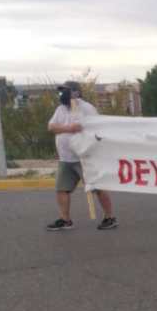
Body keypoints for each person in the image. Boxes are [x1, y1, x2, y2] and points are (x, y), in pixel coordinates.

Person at [46, 81, 117, 231]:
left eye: (65, 91)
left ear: (76, 92)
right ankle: (65, 220)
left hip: (84, 158)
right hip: (66, 158)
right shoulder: (60, 109)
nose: (62, 94)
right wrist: (69, 128)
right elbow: (51, 127)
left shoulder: (87, 108)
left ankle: (109, 217)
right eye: (61, 92)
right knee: (62, 189)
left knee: (97, 187)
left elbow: (98, 129)